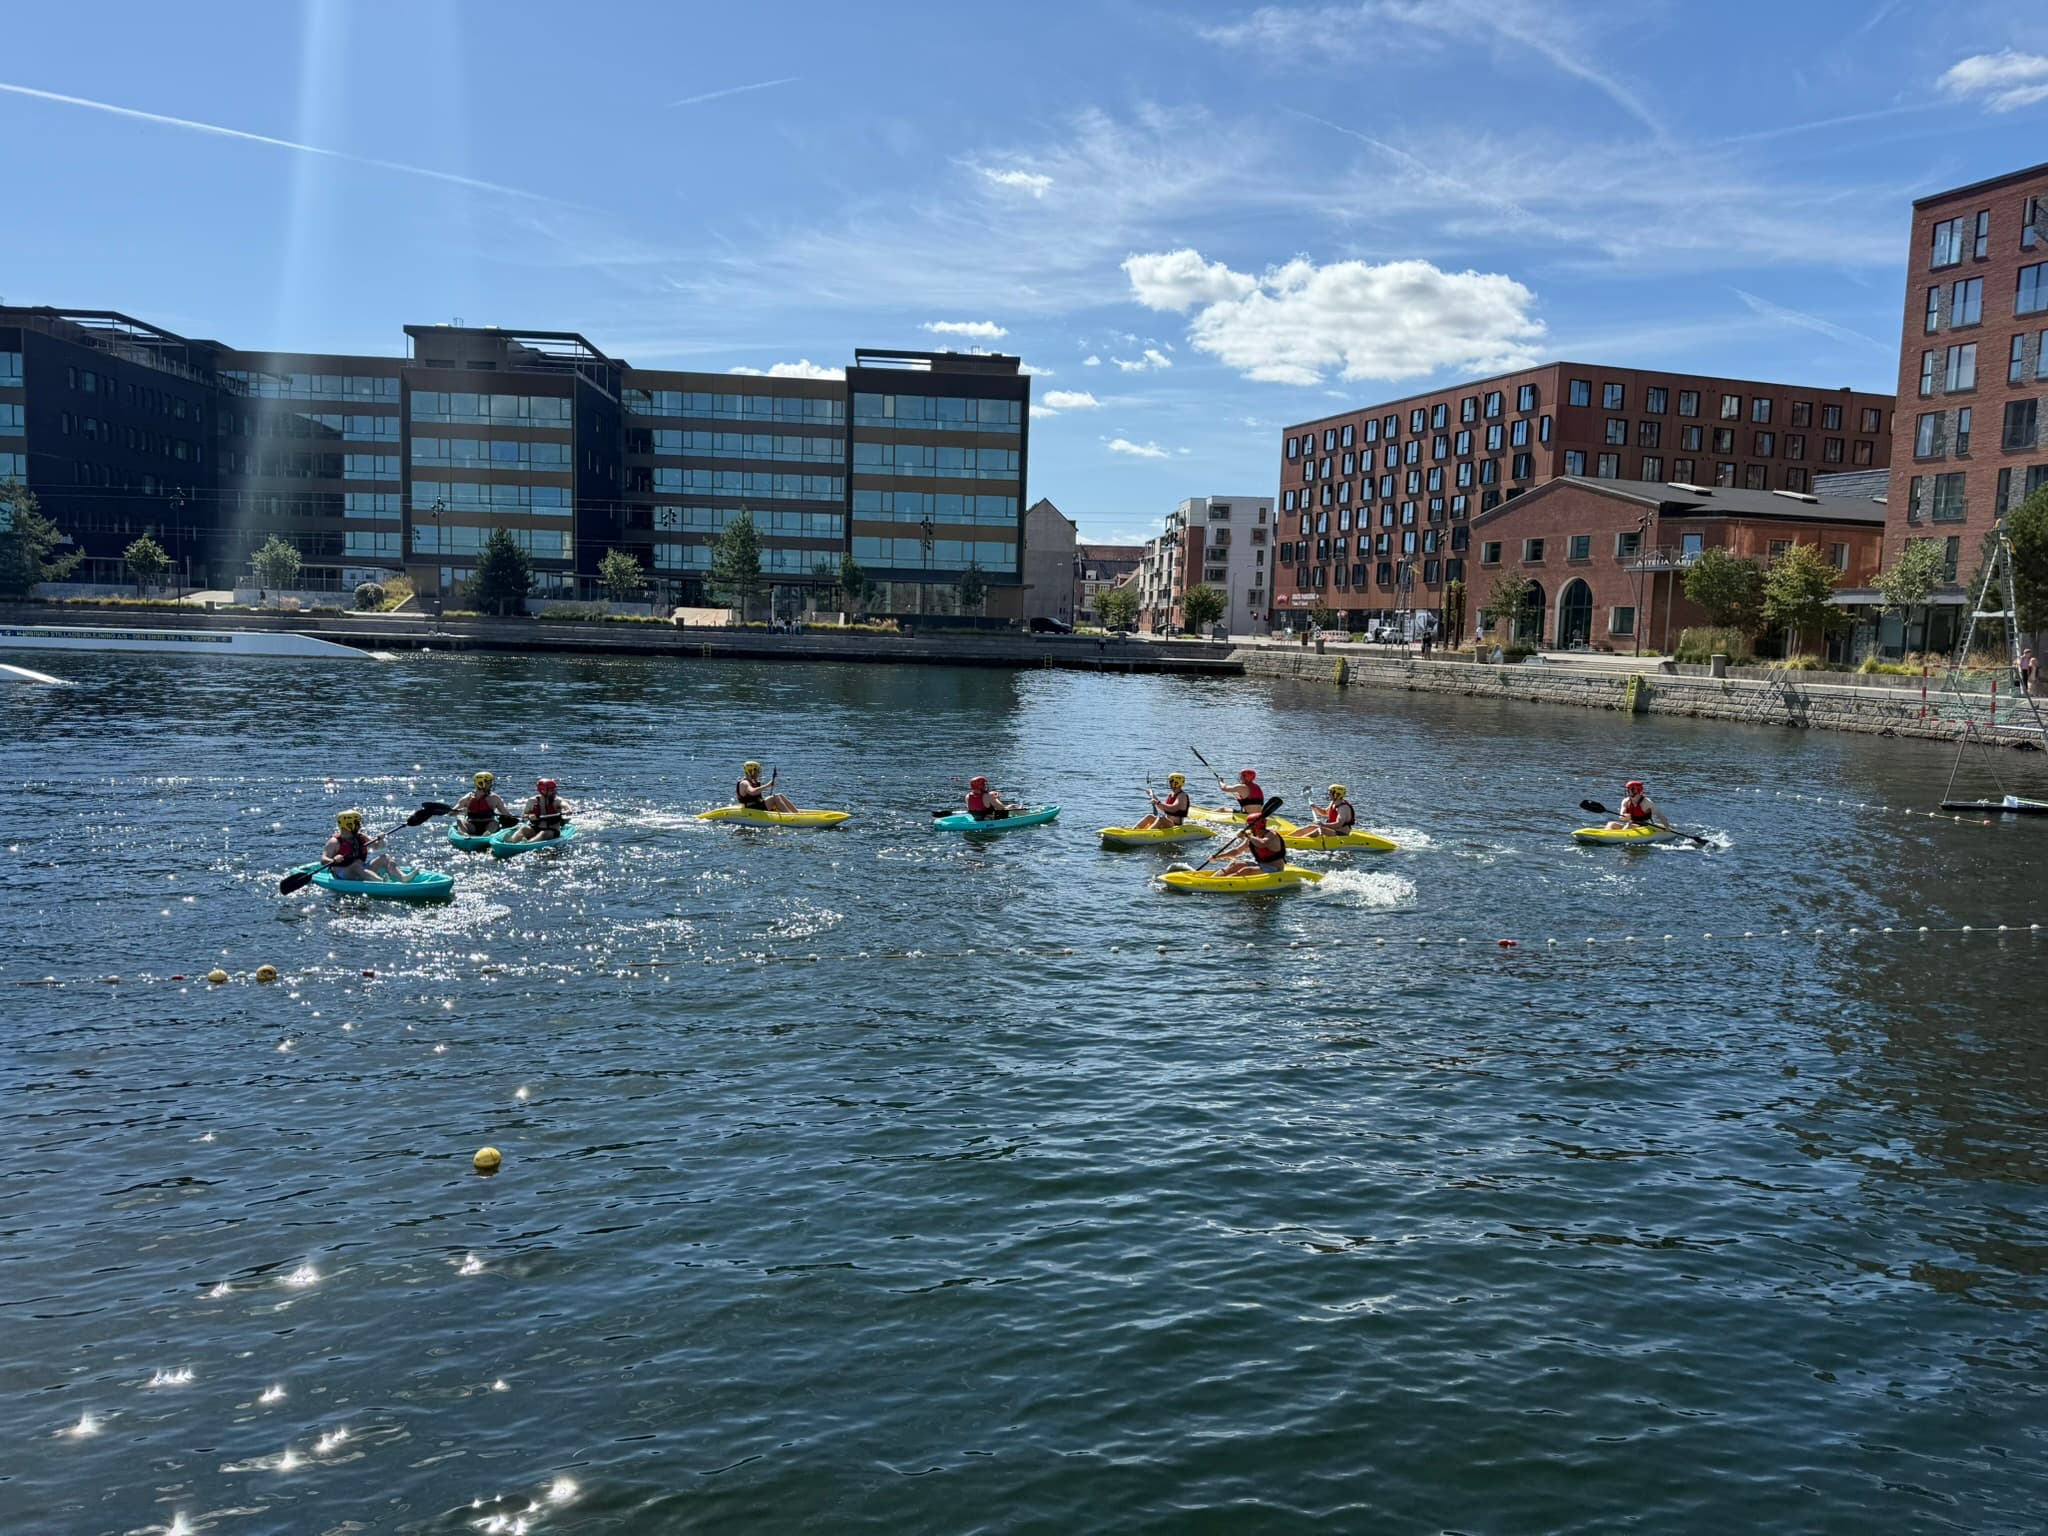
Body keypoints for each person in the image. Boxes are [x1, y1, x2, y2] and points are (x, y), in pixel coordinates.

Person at [323, 809, 408, 882]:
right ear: (348, 824)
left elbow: (379, 847)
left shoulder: (361, 837)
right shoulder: (334, 842)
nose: (360, 826)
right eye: (357, 823)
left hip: (362, 869)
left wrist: (381, 839)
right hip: (344, 873)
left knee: (385, 857)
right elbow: (323, 860)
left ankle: (402, 877)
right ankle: (382, 881)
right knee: (356, 865)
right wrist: (333, 859)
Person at [1213, 799, 1291, 878]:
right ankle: (1213, 879)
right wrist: (1217, 856)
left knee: (1246, 870)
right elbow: (1237, 851)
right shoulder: (1252, 836)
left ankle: (1224, 881)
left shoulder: (1271, 834)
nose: (1248, 827)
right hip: (1260, 865)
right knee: (1235, 865)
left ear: (1255, 826)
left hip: (1275, 869)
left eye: (1249, 825)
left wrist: (1247, 836)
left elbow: (1262, 844)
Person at [505, 777, 571, 843]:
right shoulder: (532, 801)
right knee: (524, 829)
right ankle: (510, 842)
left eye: (554, 790)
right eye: (551, 790)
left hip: (552, 831)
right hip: (535, 828)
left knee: (544, 833)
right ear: (542, 790)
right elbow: (524, 815)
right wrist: (529, 816)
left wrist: (568, 810)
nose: (554, 792)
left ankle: (528, 843)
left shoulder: (557, 801)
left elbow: (565, 804)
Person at [454, 771, 511, 836]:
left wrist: (508, 816)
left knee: (494, 823)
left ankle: (486, 835)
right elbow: (451, 813)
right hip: (472, 826)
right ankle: (464, 834)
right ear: (481, 783)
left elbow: (505, 813)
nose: (491, 785)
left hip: (488, 826)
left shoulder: (494, 797)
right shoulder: (467, 798)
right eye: (489, 783)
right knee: (459, 819)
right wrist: (458, 811)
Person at [1605, 779, 1672, 833]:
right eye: (1627, 789)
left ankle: (1618, 837)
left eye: (1632, 789)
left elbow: (1660, 816)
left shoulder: (1647, 802)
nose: (1628, 791)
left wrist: (1667, 827)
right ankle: (1606, 835)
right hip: (1631, 824)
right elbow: (1621, 816)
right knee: (1611, 824)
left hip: (1645, 826)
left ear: (1639, 790)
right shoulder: (1625, 801)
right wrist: (1624, 817)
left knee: (1629, 826)